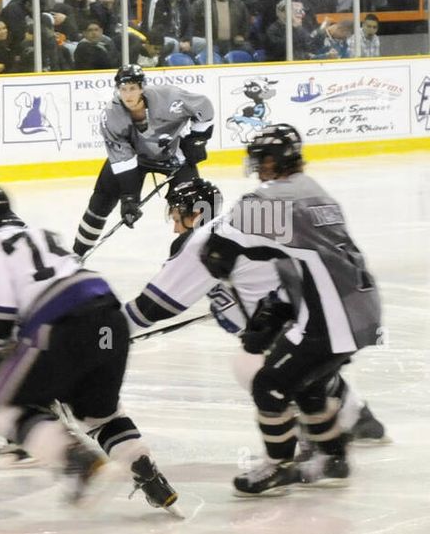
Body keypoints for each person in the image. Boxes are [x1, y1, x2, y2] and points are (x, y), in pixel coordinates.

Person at [0, 186, 180, 512]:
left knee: (2, 405)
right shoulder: (38, 233)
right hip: (109, 319)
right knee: (100, 414)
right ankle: (146, 471)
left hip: (62, 326)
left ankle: (77, 462)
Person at [122, 177, 387, 449]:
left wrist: (106, 329)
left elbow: (152, 307)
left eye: (178, 218)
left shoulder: (203, 242)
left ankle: (311, 447)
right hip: (324, 316)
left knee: (257, 370)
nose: (176, 227)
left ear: (199, 212)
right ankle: (356, 416)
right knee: (300, 367)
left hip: (298, 323)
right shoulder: (238, 229)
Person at [198, 125, 383, 495]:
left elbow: (217, 249)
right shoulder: (315, 192)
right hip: (360, 308)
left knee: (270, 386)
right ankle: (333, 457)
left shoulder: (276, 198)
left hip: (331, 318)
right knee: (308, 384)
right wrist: (280, 306)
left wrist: (222, 269)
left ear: (275, 161)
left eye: (262, 159)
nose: (258, 166)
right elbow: (305, 256)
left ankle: (277, 466)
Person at [71, 64, 213, 258]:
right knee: (101, 200)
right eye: (123, 89)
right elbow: (123, 160)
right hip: (134, 158)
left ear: (142, 88)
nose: (128, 94)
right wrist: (129, 197)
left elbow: (204, 107)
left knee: (193, 203)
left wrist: (197, 140)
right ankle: (77, 254)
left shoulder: (169, 98)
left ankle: (198, 256)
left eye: (132, 88)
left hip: (173, 156)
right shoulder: (111, 116)